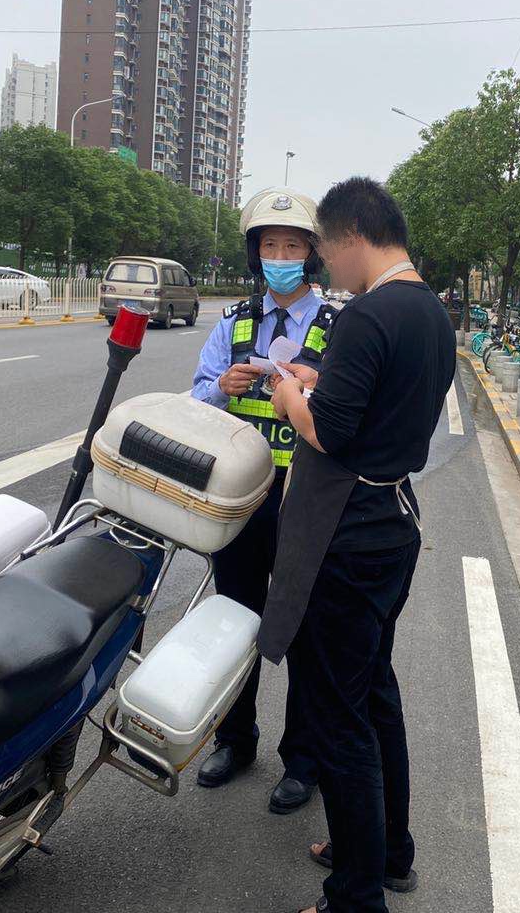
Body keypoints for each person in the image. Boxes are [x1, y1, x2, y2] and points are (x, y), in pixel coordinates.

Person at [263, 177, 455, 913]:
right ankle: (385, 851)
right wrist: (324, 379)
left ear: (351, 237)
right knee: (373, 694)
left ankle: (355, 896)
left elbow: (330, 431)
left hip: (345, 536)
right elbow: (380, 405)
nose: (322, 267)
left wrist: (292, 397)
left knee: (338, 716)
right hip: (392, 522)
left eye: (323, 250)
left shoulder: (367, 315)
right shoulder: (430, 312)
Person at [189, 186, 338, 814]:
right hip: (243, 495)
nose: (280, 256)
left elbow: (348, 411)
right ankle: (235, 739)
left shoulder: (338, 325)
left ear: (311, 254)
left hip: (306, 499)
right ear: (256, 254)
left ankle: (303, 758)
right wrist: (221, 387)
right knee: (235, 617)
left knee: (305, 624)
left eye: (292, 246)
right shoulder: (234, 321)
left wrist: (312, 386)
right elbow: (197, 399)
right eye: (270, 245)